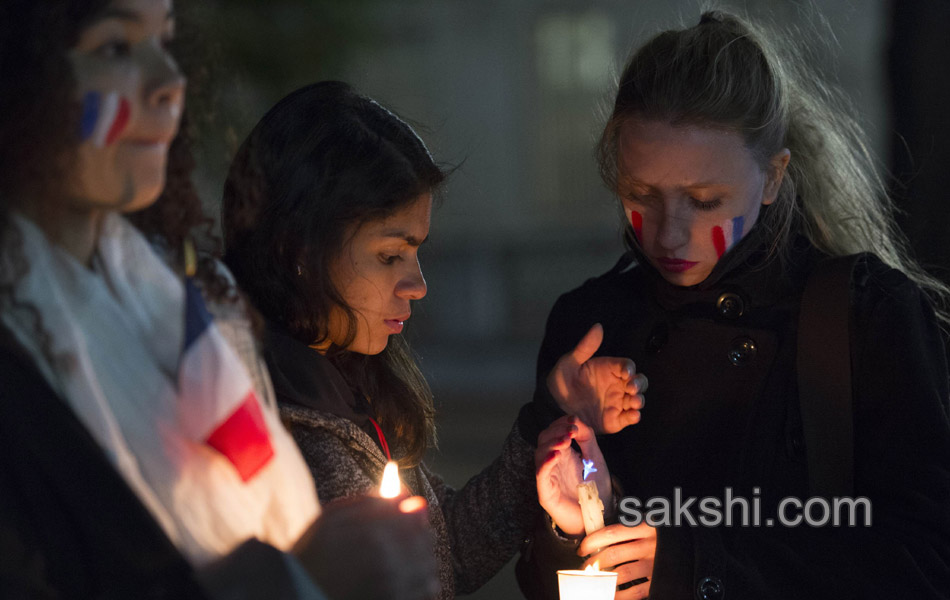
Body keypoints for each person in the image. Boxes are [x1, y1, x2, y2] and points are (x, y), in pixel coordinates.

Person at [0, 2, 439, 598]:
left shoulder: (192, 309)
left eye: (164, 42)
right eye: (114, 48)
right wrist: (296, 579)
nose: (168, 83)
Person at [518, 9, 950, 600]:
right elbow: (544, 585)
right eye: (641, 195)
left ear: (774, 177)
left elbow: (925, 560)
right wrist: (572, 529)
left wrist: (699, 569)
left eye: (704, 201)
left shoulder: (865, 314)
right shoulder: (591, 320)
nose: (668, 235)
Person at [221, 81, 639, 599]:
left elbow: (444, 554)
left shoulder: (346, 382)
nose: (418, 284)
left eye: (417, 252)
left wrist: (543, 432)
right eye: (390, 256)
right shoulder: (245, 421)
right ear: (298, 250)